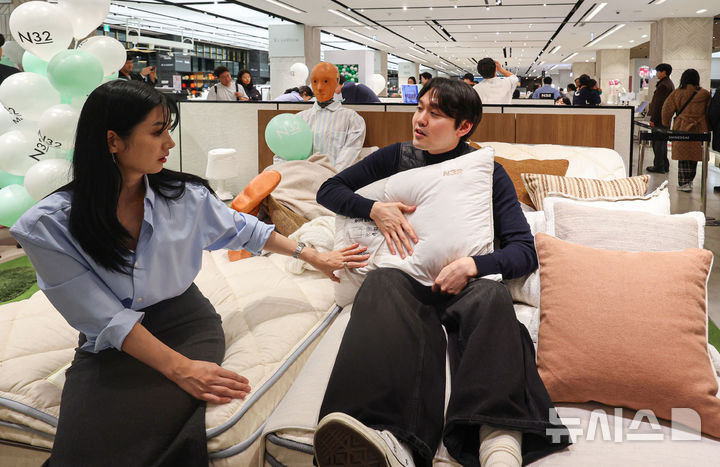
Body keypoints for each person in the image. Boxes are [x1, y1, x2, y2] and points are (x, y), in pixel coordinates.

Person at [9, 80, 368, 466]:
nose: (170, 143)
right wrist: (181, 370)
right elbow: (102, 317)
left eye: (168, 130)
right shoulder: (47, 226)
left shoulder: (183, 197)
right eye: (157, 132)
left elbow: (246, 230)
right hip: (109, 343)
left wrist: (313, 255)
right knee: (81, 447)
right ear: (113, 141)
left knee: (167, 430)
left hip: (184, 323)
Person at [312, 77, 570, 467]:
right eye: (419, 109)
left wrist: (473, 266)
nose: (419, 120)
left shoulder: (488, 173)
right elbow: (329, 190)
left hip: (464, 286)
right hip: (404, 281)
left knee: (493, 296)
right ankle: (388, 441)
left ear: (463, 126)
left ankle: (498, 442)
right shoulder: (395, 157)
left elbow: (523, 251)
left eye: (434, 114)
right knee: (380, 283)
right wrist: (374, 209)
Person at [296, 62, 366, 170]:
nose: (319, 87)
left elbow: (350, 152)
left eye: (325, 81)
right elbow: (286, 154)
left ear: (336, 82)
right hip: (304, 176)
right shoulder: (299, 119)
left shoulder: (352, 119)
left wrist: (332, 177)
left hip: (334, 177)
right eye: (315, 81)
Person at [661, 68, 711, 192]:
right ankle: (689, 181)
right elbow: (709, 111)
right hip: (699, 127)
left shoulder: (677, 93)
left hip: (682, 126)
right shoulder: (705, 94)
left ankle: (684, 183)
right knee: (694, 155)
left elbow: (666, 108)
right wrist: (709, 126)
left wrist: (665, 123)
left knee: (683, 155)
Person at [645, 63, 675, 174]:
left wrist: (653, 118)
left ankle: (659, 166)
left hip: (659, 119)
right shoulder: (669, 84)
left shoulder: (663, 85)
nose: (656, 73)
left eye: (658, 71)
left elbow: (658, 104)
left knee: (658, 143)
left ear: (664, 72)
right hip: (664, 118)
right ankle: (664, 165)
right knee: (662, 142)